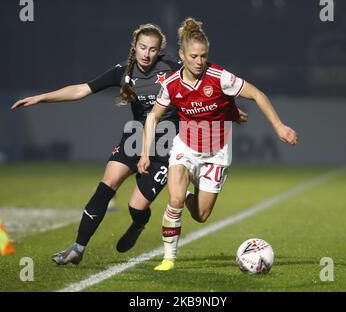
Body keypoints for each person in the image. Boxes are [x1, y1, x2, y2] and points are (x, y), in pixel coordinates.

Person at [11, 23, 248, 265]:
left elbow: (205, 82)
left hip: (167, 145)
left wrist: (229, 109)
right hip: (136, 137)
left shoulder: (172, 68)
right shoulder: (122, 72)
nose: (146, 54)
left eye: (153, 49)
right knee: (106, 186)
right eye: (142, 47)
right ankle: (77, 248)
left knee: (136, 207)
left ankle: (138, 223)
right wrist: (41, 97)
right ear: (134, 47)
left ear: (160, 51)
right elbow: (82, 90)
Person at [137, 18, 298, 271]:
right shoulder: (170, 84)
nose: (199, 61)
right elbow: (153, 116)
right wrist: (145, 153)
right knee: (175, 198)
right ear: (181, 55)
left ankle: (188, 197)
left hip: (216, 155)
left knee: (201, 216)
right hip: (185, 149)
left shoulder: (220, 77)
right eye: (193, 56)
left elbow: (257, 94)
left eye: (203, 56)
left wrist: (279, 126)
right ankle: (168, 259)